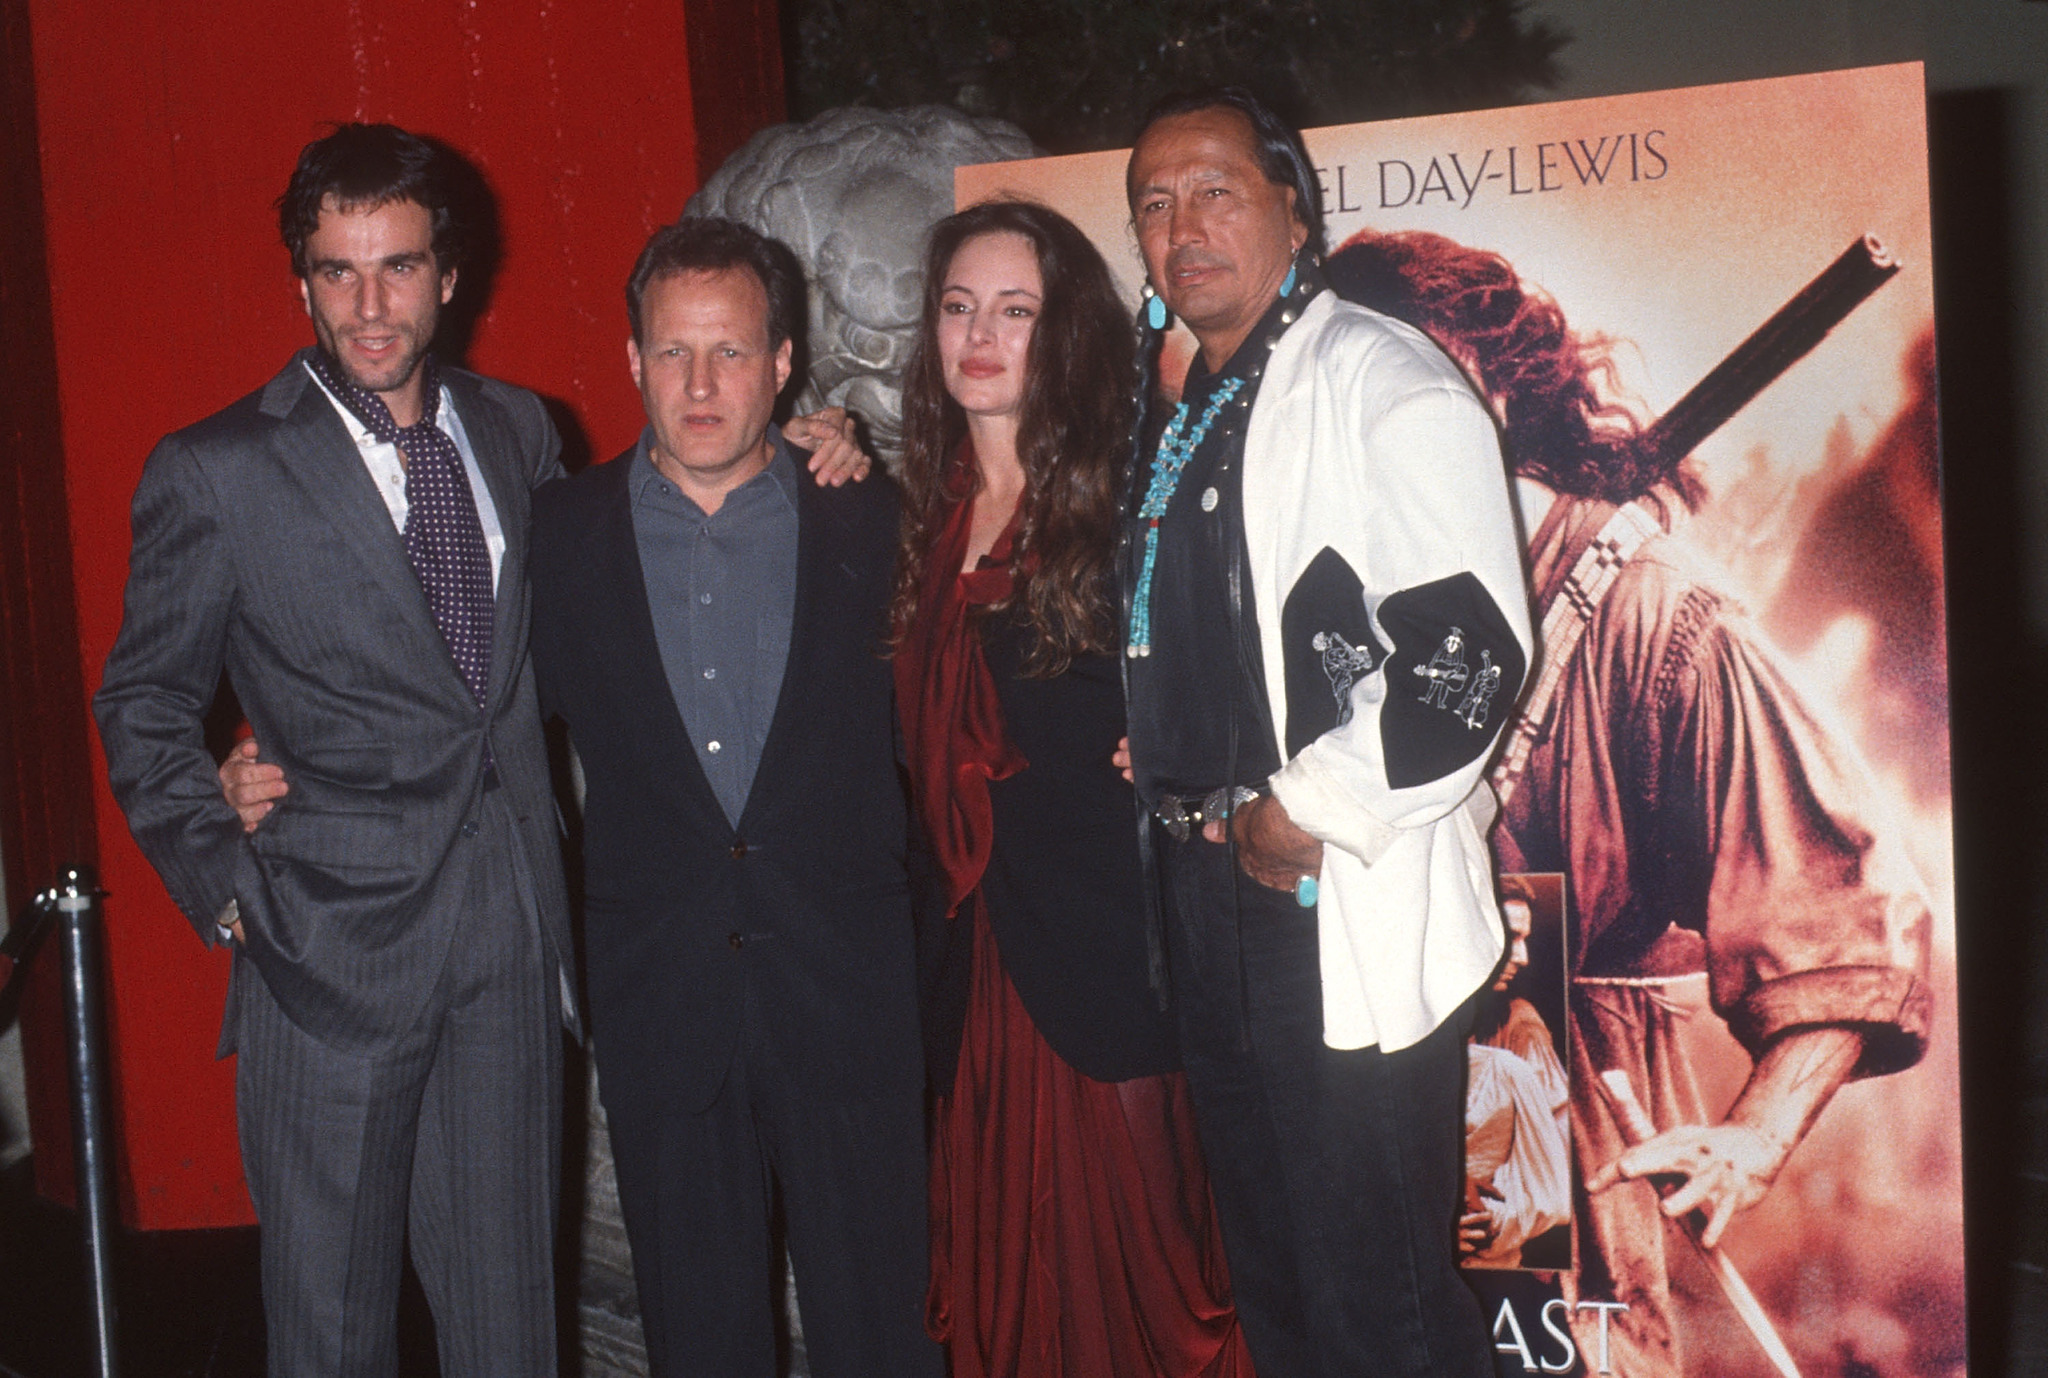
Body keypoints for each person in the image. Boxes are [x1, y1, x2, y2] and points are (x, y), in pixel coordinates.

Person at [1324, 226, 1933, 1375]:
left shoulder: (1651, 611)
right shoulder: (1326, 594)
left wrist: (1752, 1135)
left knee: (1535, 1363)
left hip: (1534, 1088)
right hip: (1357, 1113)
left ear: (1489, 383)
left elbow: (1843, 900)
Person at [93, 123, 574, 1376]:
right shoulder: (219, 471)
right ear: (300, 279)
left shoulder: (522, 433)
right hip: (325, 948)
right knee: (330, 1332)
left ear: (449, 274)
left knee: (510, 1316)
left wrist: (802, 448)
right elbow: (142, 702)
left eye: (398, 267)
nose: (369, 305)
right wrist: (229, 885)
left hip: (509, 939)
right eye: (336, 271)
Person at [1118, 88, 1532, 1377]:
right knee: (1281, 1288)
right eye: (1152, 200)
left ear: (1293, 210)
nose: (1181, 225)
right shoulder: (1184, 408)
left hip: (1320, 894)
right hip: (1204, 902)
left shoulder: (1377, 377)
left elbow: (1469, 654)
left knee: (1382, 1301)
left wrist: (1313, 807)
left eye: (1215, 191)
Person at [525, 216, 940, 1378]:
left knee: (889, 1338)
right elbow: (470, 730)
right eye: (670, 352)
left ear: (783, 363)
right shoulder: (558, 537)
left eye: (729, 353)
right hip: (665, 1006)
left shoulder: (869, 514)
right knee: (699, 1342)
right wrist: (277, 768)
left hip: (847, 997)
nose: (699, 385)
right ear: (630, 362)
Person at [890, 200, 1254, 1377]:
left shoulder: (1128, 504)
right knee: (1010, 1306)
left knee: (1151, 1302)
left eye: (1014, 310)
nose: (979, 336)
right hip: (971, 974)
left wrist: (1182, 738)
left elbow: (1248, 668)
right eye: (956, 308)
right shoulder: (912, 517)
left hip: (1109, 967)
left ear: (1068, 335)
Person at [1460, 880, 1571, 1270]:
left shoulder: (1519, 1025)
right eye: (1510, 938)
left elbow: (1555, 1171)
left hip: (1491, 1250)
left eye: (1525, 939)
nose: (1521, 956)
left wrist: (1486, 1224)